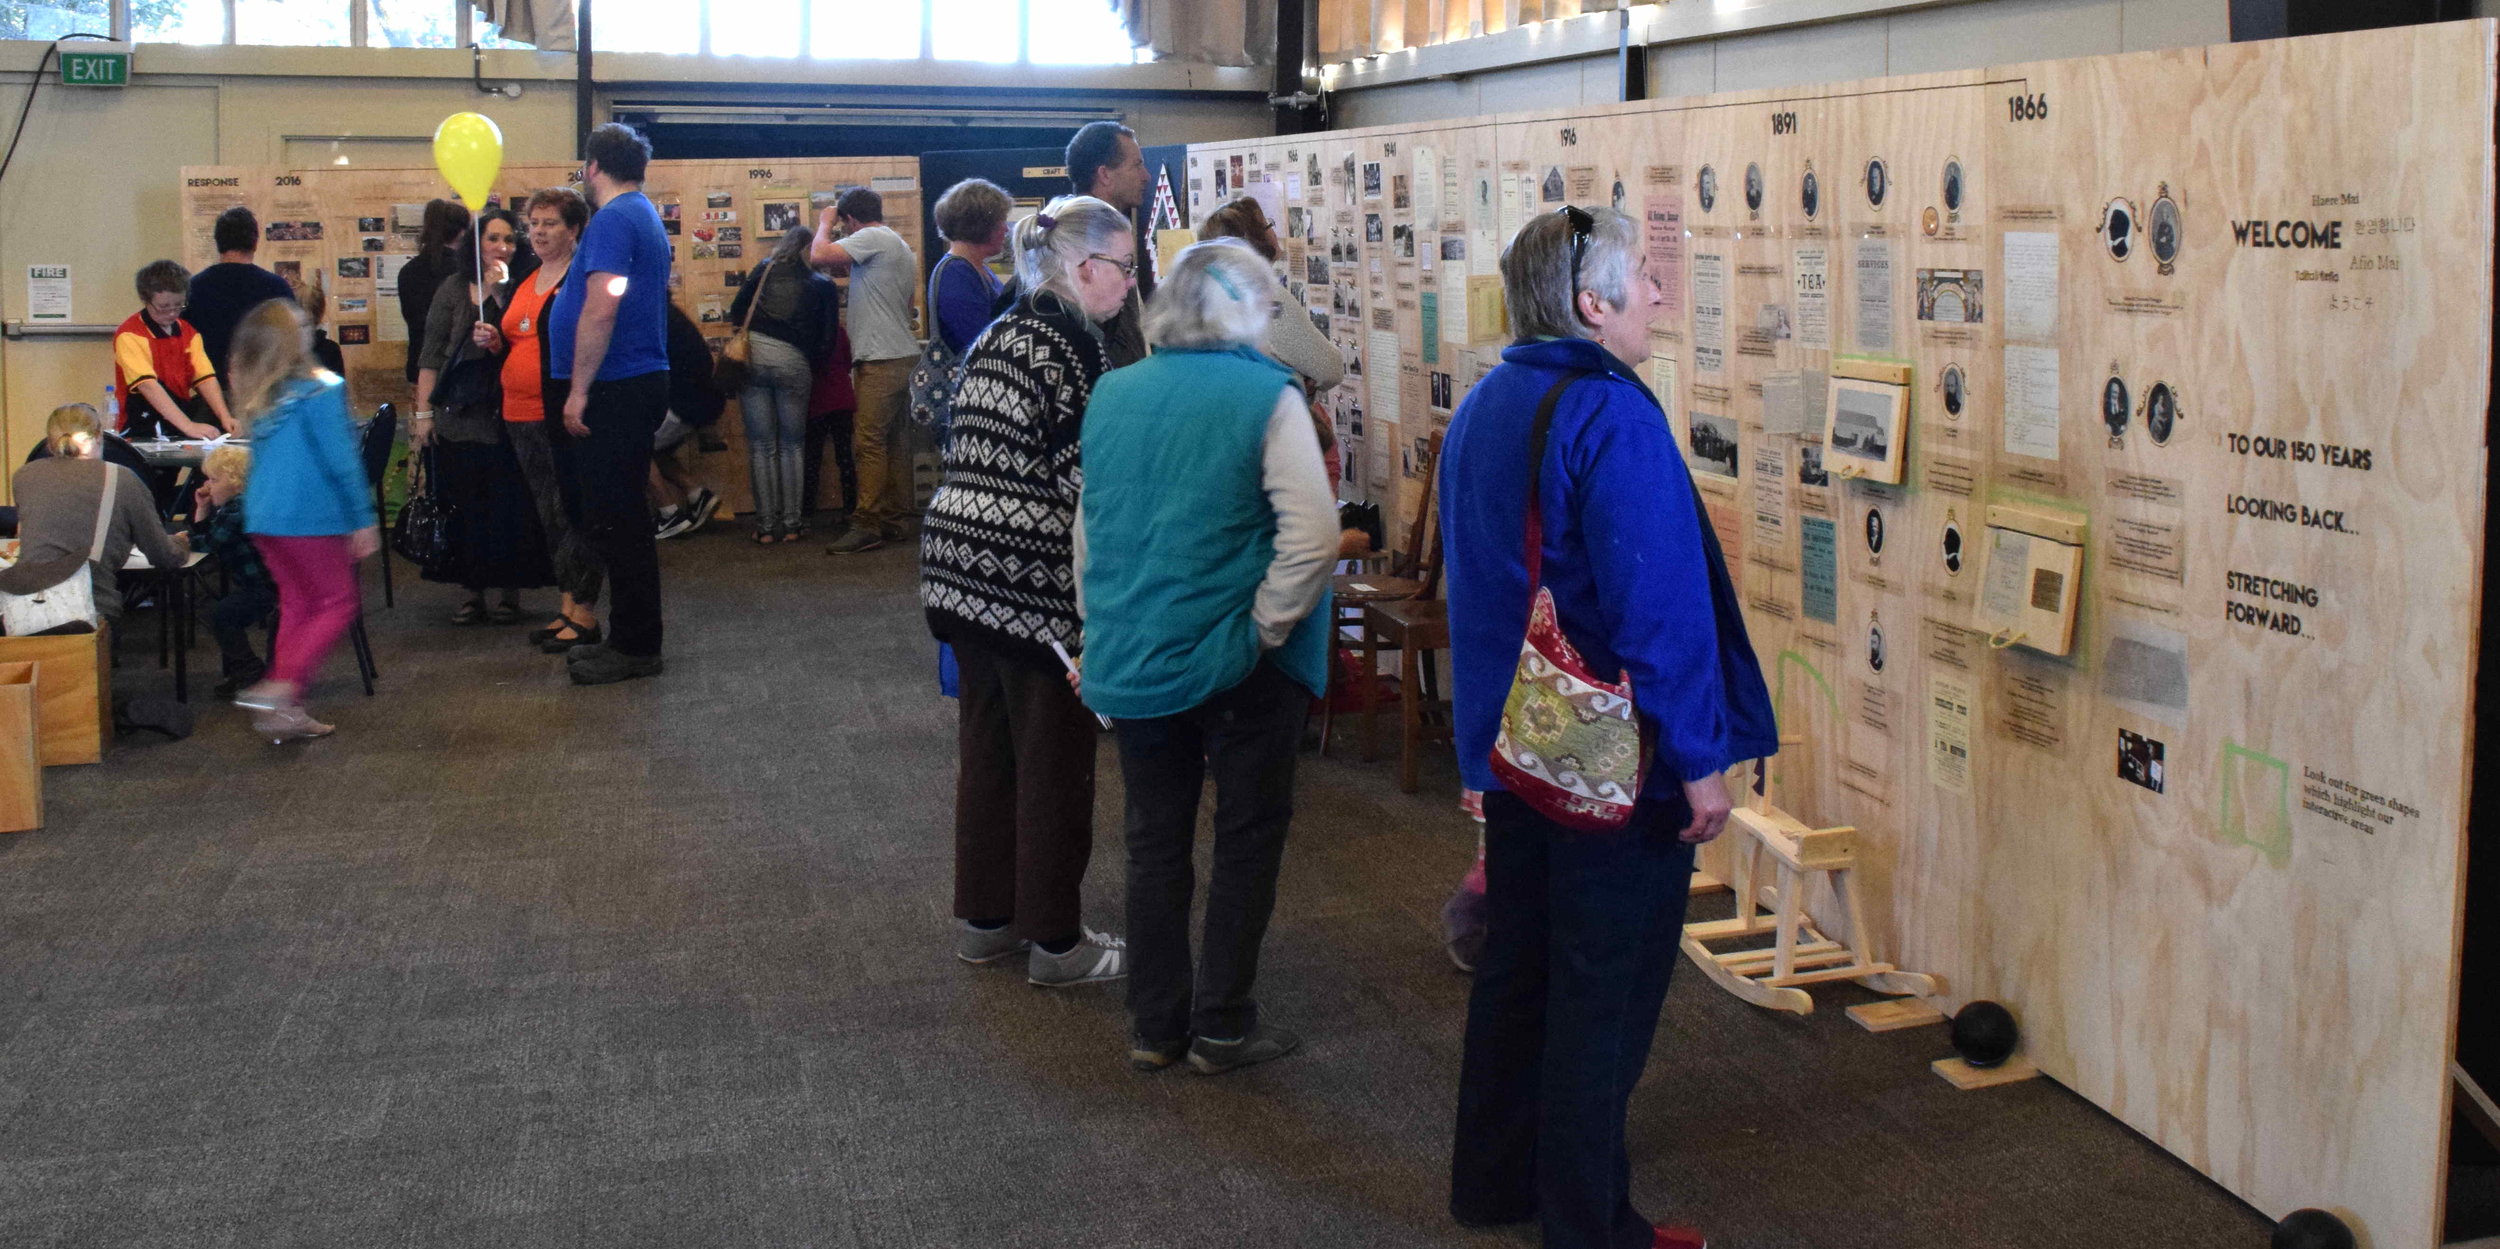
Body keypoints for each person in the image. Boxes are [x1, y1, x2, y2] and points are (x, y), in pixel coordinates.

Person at [1440, 206, 1777, 1249]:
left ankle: (1494, 1183)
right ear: (1595, 303)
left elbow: (1479, 594)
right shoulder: (1612, 415)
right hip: (1608, 746)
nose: (1661, 299)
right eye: (1647, 281)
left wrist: (1474, 758)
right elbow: (1655, 605)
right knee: (1602, 989)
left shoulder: (1491, 398)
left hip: (1517, 739)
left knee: (1520, 966)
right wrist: (1700, 759)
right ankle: (1590, 1227)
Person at [1075, 239, 1337, 1075]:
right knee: (1246, 835)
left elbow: (1092, 527)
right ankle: (1222, 1022)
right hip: (1242, 660)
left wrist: (1099, 623)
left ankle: (1155, 1025)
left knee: (1152, 840)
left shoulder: (1114, 391)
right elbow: (1316, 534)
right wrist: (1264, 629)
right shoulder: (1266, 394)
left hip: (1138, 646)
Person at [922, 196, 1134, 989]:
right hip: (1031, 583)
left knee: (990, 753)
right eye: (1123, 266)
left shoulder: (1002, 330)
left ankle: (985, 921)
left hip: (960, 571)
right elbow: (1086, 483)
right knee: (1054, 763)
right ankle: (1056, 941)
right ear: (1085, 269)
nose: (1130, 282)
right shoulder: (1075, 347)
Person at [547, 122, 673, 686]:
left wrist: (578, 390)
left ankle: (636, 646)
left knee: (618, 521)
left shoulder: (615, 221)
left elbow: (601, 308)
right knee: (620, 519)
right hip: (628, 381)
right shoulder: (639, 213)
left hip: (616, 385)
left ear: (592, 167)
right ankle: (630, 639)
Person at [225, 300, 378, 742]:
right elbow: (342, 461)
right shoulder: (322, 389)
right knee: (337, 602)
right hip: (311, 517)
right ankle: (281, 686)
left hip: (264, 516)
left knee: (298, 605)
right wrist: (362, 518)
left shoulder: (261, 395)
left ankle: (286, 711)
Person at [474, 186, 604, 655]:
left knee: (571, 513)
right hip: (518, 413)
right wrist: (495, 341)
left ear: (573, 229)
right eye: (534, 224)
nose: (539, 232)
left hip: (557, 412)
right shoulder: (530, 275)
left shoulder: (579, 276)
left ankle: (585, 614)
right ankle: (567, 606)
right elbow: (520, 339)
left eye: (550, 223)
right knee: (549, 517)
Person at [412, 207, 553, 624]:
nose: (502, 247)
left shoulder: (525, 287)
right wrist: (423, 416)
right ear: (476, 243)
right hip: (462, 416)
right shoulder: (453, 290)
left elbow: (530, 346)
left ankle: (510, 590)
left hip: (510, 412)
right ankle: (471, 590)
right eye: (493, 238)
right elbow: (431, 355)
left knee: (511, 503)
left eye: (510, 239)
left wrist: (496, 300)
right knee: (466, 504)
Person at [0, 404, 187, 628]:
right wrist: (181, 543)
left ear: (49, 442)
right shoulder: (123, 479)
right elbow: (162, 555)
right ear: (99, 436)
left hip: (24, 609)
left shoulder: (24, 476)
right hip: (90, 608)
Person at [810, 188, 920, 555]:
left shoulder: (870, 236)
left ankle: (866, 524)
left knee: (868, 443)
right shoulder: (897, 245)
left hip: (881, 358)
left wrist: (825, 223)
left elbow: (819, 255)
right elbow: (907, 304)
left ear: (852, 220)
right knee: (894, 443)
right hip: (901, 354)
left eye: (844, 225)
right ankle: (894, 519)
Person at [727, 225, 837, 543]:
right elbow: (827, 341)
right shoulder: (823, 283)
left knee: (761, 446)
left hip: (755, 357)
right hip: (794, 363)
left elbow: (737, 309)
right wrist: (810, 366)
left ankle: (765, 527)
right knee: (792, 445)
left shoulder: (766, 267)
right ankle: (792, 525)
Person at [1197, 195, 1345, 394]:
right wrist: (1302, 379)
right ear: (1254, 239)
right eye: (1268, 226)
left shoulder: (1212, 294)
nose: (1273, 232)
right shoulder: (1264, 295)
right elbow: (1330, 369)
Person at [1063, 121, 1154, 366]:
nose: (1146, 176)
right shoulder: (1073, 250)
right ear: (1105, 175)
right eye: (1137, 165)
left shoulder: (1103, 241)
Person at [188, 445, 276, 698]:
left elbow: (209, 544)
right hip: (260, 584)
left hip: (267, 588)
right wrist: (202, 508)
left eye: (214, 480)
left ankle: (248, 669)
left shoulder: (238, 509)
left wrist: (180, 542)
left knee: (221, 614)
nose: (209, 485)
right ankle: (242, 668)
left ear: (236, 483)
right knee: (223, 611)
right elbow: (207, 537)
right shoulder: (233, 507)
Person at [114, 260, 232, 441]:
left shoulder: (188, 332)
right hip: (140, 424)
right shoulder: (130, 335)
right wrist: (188, 426)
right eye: (163, 307)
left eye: (178, 306)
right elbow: (148, 386)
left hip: (176, 417)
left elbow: (205, 379)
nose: (171, 313)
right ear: (146, 300)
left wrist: (225, 417)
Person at [183, 206, 297, 381]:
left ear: (217, 242)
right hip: (265, 390)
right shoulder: (278, 289)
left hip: (208, 390)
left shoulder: (192, 288)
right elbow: (291, 346)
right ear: (255, 242)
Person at [650, 298, 726, 541]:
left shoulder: (652, 316)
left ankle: (668, 515)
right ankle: (697, 495)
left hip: (685, 403)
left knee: (634, 448)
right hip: (701, 400)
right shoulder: (667, 311)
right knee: (656, 451)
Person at [929, 178, 1012, 358]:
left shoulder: (976, 267)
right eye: (1001, 222)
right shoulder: (956, 273)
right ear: (981, 225)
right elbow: (981, 342)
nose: (1006, 229)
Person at [399, 199, 473, 387]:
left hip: (419, 362)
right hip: (457, 366)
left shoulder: (409, 270)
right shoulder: (464, 272)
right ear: (462, 232)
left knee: (421, 414)